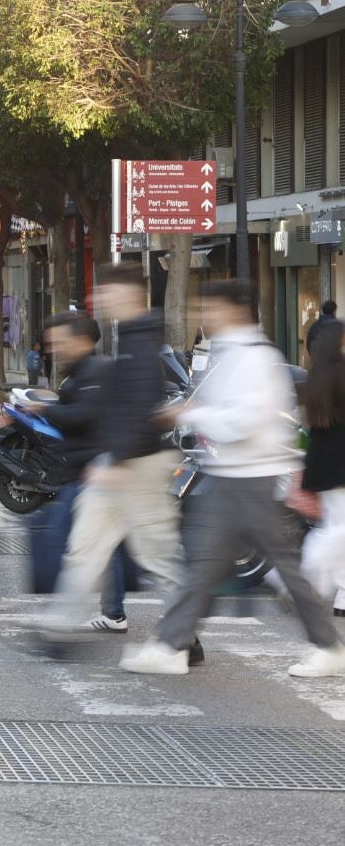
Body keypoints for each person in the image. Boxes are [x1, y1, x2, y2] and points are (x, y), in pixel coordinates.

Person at [127, 280, 345, 676]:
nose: (204, 316)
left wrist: (190, 414)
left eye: (210, 308)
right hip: (232, 475)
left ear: (235, 311)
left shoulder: (254, 358)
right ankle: (172, 644)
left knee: (232, 564)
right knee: (208, 563)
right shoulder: (230, 354)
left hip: (247, 477)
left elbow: (245, 420)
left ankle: (327, 645)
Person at [42, 266, 188, 644]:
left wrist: (117, 460)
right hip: (120, 461)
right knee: (86, 545)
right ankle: (61, 626)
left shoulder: (141, 338)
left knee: (156, 554)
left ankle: (183, 637)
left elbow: (140, 405)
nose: (99, 300)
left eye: (106, 292)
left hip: (138, 463)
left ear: (129, 294)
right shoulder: (131, 334)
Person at [25, 312, 130, 632]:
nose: (55, 348)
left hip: (94, 471)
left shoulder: (95, 370)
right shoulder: (81, 371)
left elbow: (85, 415)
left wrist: (46, 409)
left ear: (82, 340)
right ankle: (112, 613)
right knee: (102, 545)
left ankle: (65, 618)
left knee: (69, 541)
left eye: (61, 342)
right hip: (88, 469)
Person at [300, 321, 345, 616]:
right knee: (339, 529)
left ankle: (342, 594)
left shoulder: (316, 375)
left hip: (323, 458)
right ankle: (304, 575)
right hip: (340, 458)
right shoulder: (341, 373)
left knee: (336, 524)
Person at [306, 300, 340, 365]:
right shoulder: (336, 326)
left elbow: (309, 344)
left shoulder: (314, 325)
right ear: (334, 311)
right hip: (331, 364)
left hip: (317, 362)